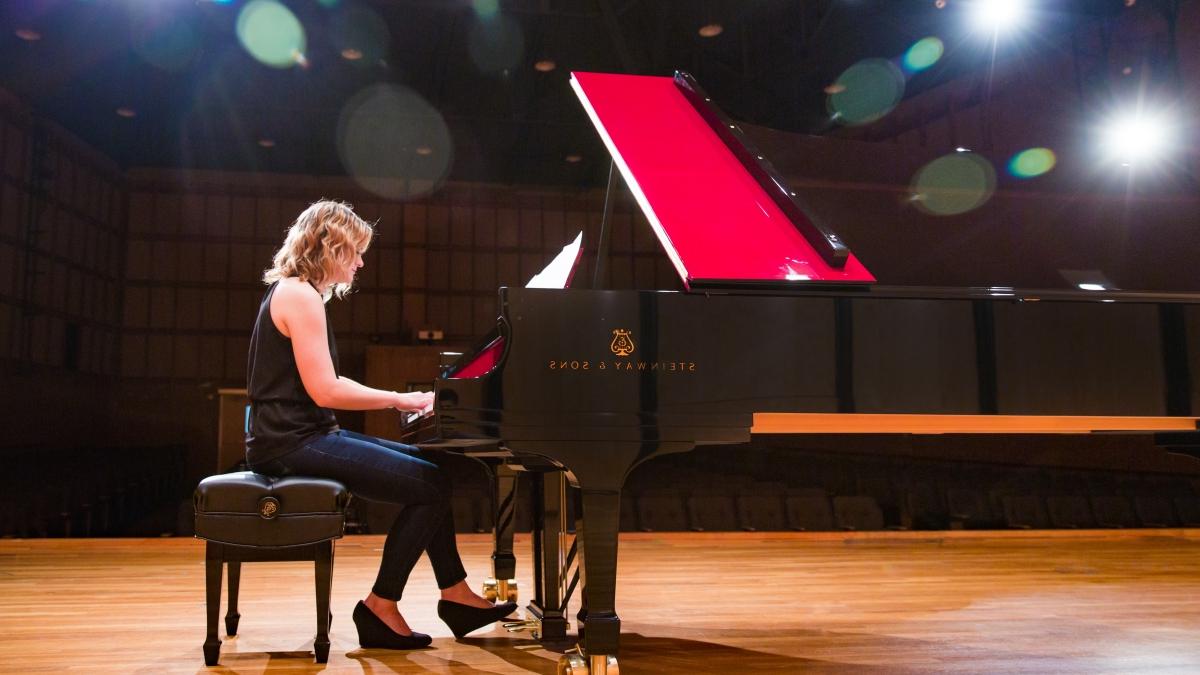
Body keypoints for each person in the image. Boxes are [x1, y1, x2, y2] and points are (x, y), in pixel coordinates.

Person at [245, 199, 515, 649]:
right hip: (289, 442)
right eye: (355, 251)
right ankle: (380, 605)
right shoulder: (300, 296)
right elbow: (325, 392)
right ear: (330, 246)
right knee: (430, 485)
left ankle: (455, 595)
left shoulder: (299, 293)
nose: (361, 261)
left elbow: (328, 381)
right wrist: (396, 399)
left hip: (300, 435)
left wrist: (401, 398)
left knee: (435, 472)